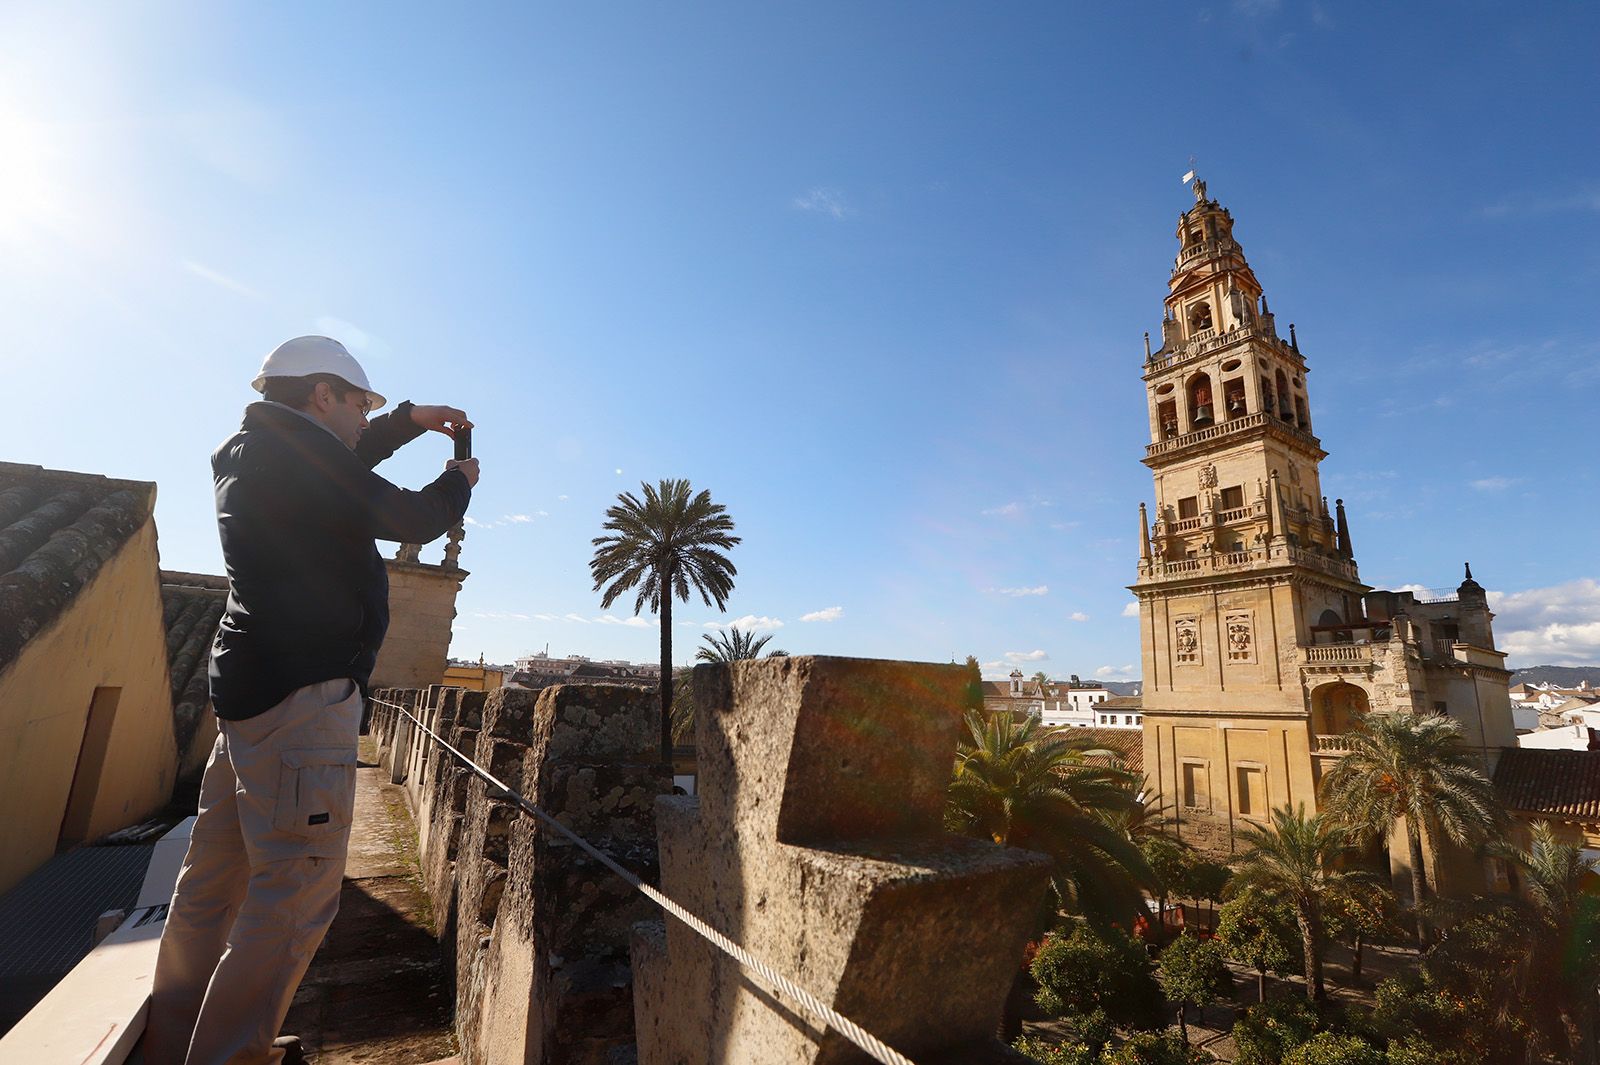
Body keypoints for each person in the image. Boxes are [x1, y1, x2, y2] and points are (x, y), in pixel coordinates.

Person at [145, 336, 479, 1065]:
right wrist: (459, 481)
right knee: (294, 895)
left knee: (214, 888)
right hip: (302, 701)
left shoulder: (255, 448)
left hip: (250, 695)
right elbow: (411, 519)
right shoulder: (300, 456)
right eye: (362, 404)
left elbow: (346, 467)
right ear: (322, 394)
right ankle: (228, 1055)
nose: (367, 419)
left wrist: (407, 421)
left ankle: (168, 1043)